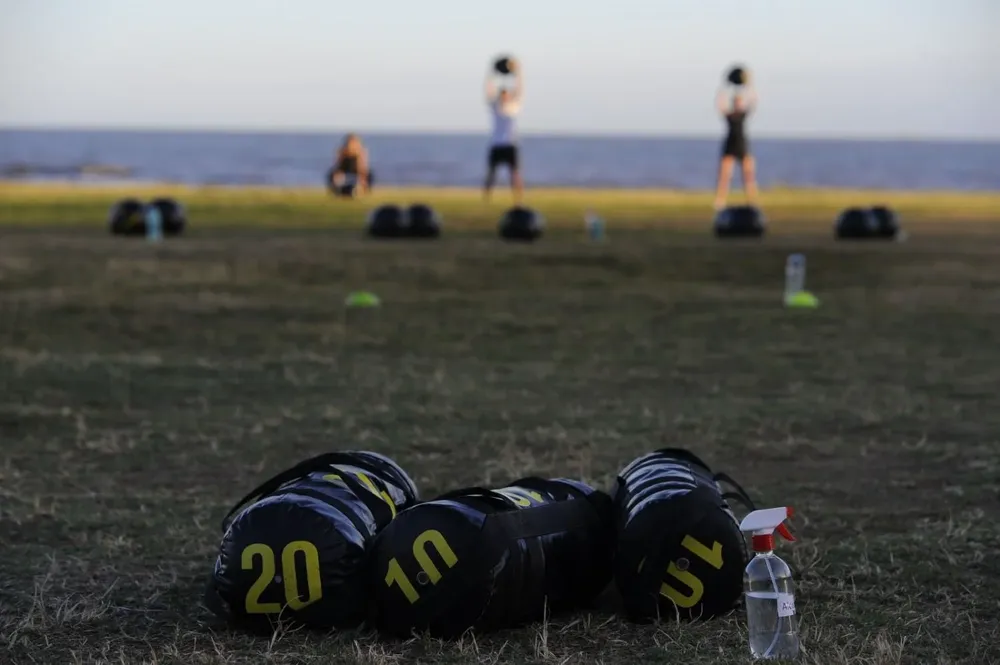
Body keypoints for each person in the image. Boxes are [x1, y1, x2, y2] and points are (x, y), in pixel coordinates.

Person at [483, 60, 524, 204]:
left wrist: (518, 72)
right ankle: (487, 198)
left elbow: (519, 90)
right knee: (491, 173)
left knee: (515, 173)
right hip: (497, 144)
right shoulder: (495, 107)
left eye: (507, 94)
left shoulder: (513, 106)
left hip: (510, 144)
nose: (504, 96)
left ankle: (518, 199)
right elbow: (488, 90)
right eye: (502, 94)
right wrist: (491, 75)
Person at [713, 86, 759, 211]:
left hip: (742, 145)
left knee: (748, 175)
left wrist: (749, 86)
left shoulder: (743, 114)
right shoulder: (729, 115)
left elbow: (753, 103)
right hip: (730, 145)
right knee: (724, 176)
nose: (738, 103)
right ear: (733, 103)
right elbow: (720, 106)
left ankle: (752, 201)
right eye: (736, 101)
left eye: (740, 101)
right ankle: (720, 200)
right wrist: (722, 91)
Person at [328, 133, 373, 197]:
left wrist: (362, 178)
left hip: (356, 176)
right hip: (345, 176)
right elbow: (338, 167)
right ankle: (339, 191)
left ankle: (363, 191)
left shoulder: (360, 152)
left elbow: (362, 168)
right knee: (332, 175)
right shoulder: (343, 152)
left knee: (369, 174)